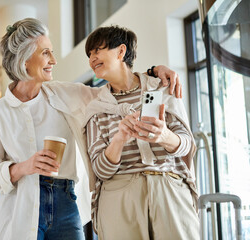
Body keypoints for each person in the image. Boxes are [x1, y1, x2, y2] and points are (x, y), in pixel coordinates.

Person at [0, 18, 182, 240]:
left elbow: (114, 91)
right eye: (46, 53)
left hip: (65, 200)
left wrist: (151, 73)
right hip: (21, 204)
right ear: (24, 60)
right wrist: (25, 167)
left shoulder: (64, 94)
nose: (53, 60)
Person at [84, 26, 199, 239]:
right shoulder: (96, 107)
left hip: (169, 189)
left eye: (97, 50)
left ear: (120, 51)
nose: (92, 58)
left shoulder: (163, 88)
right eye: (89, 54)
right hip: (119, 196)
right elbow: (100, 170)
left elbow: (186, 145)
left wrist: (164, 136)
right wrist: (118, 140)